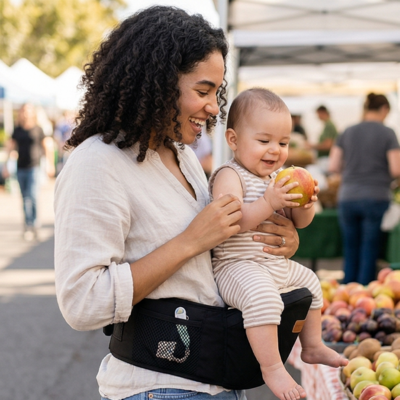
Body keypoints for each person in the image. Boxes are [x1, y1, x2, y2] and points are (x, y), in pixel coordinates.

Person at [53, 7, 303, 400]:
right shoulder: (96, 163)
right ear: (156, 82)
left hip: (214, 375)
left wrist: (277, 239)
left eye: (216, 93)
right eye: (202, 91)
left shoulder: (180, 153)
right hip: (158, 386)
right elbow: (83, 302)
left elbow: (215, 248)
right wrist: (190, 241)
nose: (214, 107)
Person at [209, 88, 348, 400]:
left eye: (283, 143)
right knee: (264, 300)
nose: (275, 150)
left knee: (312, 282)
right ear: (233, 140)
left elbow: (300, 223)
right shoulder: (229, 175)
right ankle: (272, 367)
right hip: (236, 267)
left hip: (274, 264)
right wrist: (269, 201)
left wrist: (306, 203)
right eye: (264, 141)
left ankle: (311, 347)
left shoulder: (279, 178)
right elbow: (230, 221)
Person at [329, 93, 400, 285]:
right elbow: (396, 169)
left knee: (350, 250)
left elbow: (333, 166)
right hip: (376, 196)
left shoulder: (347, 131)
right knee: (369, 250)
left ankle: (347, 296)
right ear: (384, 110)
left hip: (348, 196)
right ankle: (364, 297)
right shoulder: (388, 133)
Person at [3, 103, 54, 240]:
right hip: (21, 167)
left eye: (28, 111)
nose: (26, 113)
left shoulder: (38, 129)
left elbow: (47, 146)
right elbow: (10, 147)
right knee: (25, 197)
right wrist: (7, 165)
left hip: (34, 167)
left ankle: (34, 224)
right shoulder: (17, 130)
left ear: (33, 113)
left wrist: (50, 164)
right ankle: (27, 225)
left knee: (33, 196)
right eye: (24, 111)